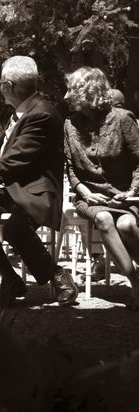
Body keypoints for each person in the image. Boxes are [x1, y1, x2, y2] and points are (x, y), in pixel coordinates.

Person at [0, 55, 78, 308]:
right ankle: (10, 279)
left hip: (36, 192)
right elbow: (2, 160)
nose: (0, 88)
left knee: (13, 228)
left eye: (1, 84)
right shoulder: (24, 111)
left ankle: (57, 276)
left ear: (7, 86)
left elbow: (13, 161)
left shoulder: (42, 114)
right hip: (12, 190)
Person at [63, 66, 139, 310]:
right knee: (105, 219)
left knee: (126, 224)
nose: (66, 96)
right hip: (89, 197)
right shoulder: (70, 124)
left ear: (89, 91)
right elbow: (70, 169)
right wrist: (83, 191)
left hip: (123, 194)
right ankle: (136, 284)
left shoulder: (123, 119)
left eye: (72, 90)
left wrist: (133, 191)